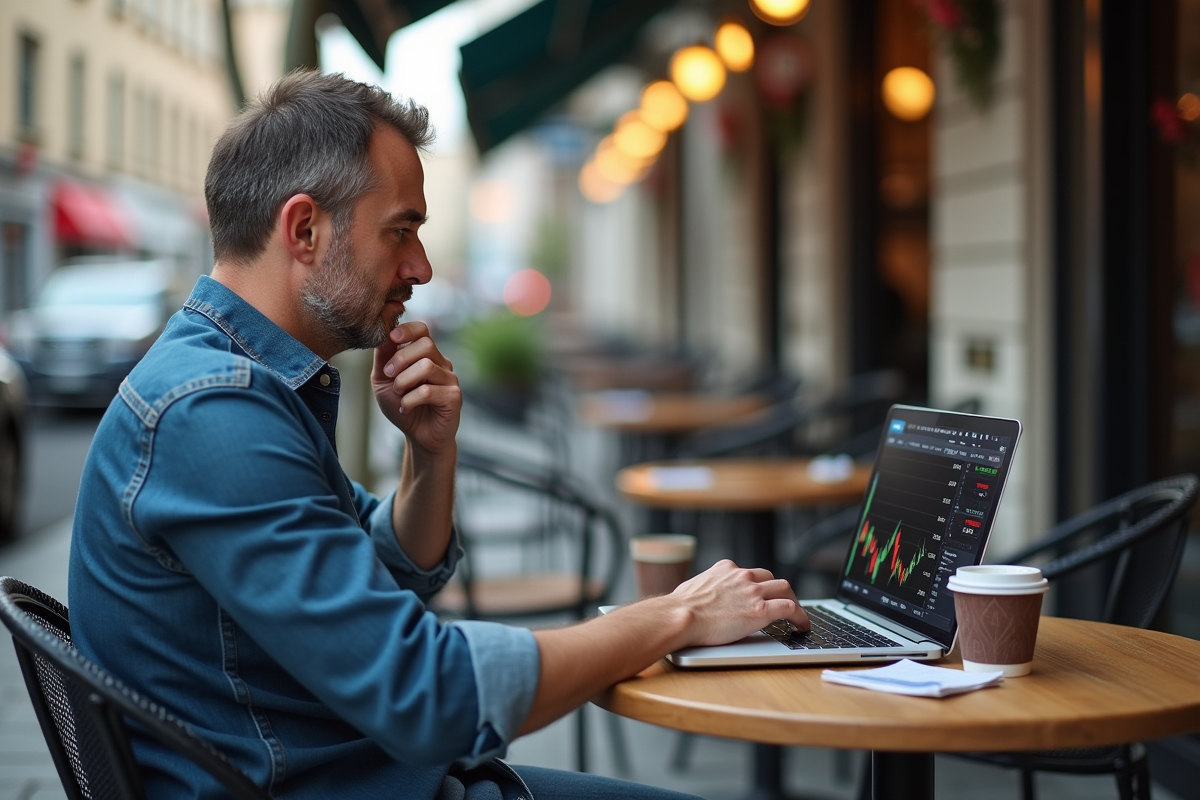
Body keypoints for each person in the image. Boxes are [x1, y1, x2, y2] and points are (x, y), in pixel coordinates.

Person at [67, 70, 810, 800]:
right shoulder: (213, 413)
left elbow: (387, 569)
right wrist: (677, 614)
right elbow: (430, 697)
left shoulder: (242, 384)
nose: (420, 267)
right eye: (401, 231)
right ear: (303, 229)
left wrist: (429, 453)